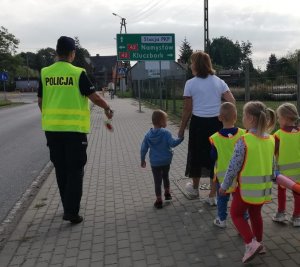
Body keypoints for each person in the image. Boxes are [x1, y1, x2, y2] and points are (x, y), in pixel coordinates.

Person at [38, 36, 113, 224]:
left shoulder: (45, 73)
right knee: (75, 170)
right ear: (72, 53)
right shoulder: (77, 72)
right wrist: (106, 108)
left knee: (61, 169)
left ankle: (67, 206)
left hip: (52, 130)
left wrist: (50, 118)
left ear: (56, 52)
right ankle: (71, 212)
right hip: (74, 131)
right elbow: (93, 96)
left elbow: (40, 101)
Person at [219, 101, 276, 263]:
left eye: (243, 115)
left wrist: (224, 186)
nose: (242, 118)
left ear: (250, 118)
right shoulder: (271, 139)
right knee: (256, 214)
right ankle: (259, 243)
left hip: (245, 190)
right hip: (263, 189)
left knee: (236, 214)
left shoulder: (244, 141)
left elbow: (233, 168)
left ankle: (251, 243)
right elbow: (272, 164)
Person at [178, 51, 235, 201]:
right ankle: (212, 195)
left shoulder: (190, 84)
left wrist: (181, 129)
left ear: (196, 65)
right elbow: (232, 101)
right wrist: (221, 114)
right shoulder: (219, 82)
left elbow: (187, 109)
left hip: (198, 124)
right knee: (215, 157)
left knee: (196, 155)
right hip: (217, 124)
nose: (190, 65)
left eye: (191, 62)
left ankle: (195, 190)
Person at [209, 102, 245, 228]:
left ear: (219, 118)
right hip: (240, 176)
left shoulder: (215, 138)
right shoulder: (243, 134)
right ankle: (244, 219)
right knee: (240, 199)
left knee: (222, 200)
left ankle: (221, 219)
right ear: (236, 116)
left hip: (222, 177)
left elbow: (213, 156)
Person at [141, 110, 183, 209]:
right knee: (165, 176)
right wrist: (181, 138)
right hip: (166, 161)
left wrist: (142, 160)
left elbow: (143, 149)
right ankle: (167, 194)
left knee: (157, 181)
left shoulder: (148, 135)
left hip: (155, 162)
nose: (166, 122)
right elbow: (173, 143)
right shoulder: (166, 133)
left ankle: (159, 200)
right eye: (165, 120)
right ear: (161, 122)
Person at [272, 103, 300, 227]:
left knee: (281, 192)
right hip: (298, 171)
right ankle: (297, 217)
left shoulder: (278, 134)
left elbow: (273, 151)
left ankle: (281, 213)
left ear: (286, 118)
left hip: (283, 172)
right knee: (298, 193)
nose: (278, 120)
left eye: (279, 117)